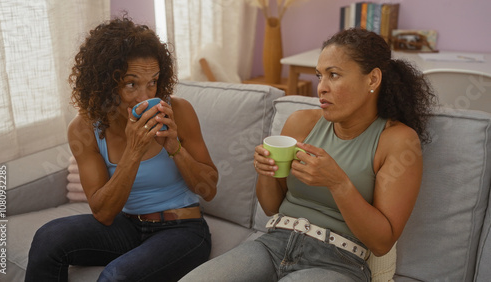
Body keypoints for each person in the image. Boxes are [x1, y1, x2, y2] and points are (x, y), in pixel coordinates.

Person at [180, 28, 436, 282]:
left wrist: (338, 183)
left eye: (333, 75)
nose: (320, 88)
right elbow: (271, 207)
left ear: (372, 79)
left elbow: (382, 243)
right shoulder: (301, 123)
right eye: (319, 76)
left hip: (338, 261)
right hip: (272, 244)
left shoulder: (398, 140)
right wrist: (265, 171)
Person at [25, 16, 218, 282]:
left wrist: (175, 147)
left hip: (183, 228)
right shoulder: (84, 130)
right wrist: (134, 151)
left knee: (116, 276)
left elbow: (209, 188)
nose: (145, 96)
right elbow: (103, 213)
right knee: (49, 238)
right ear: (104, 83)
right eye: (131, 84)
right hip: (126, 226)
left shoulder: (178, 111)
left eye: (153, 82)